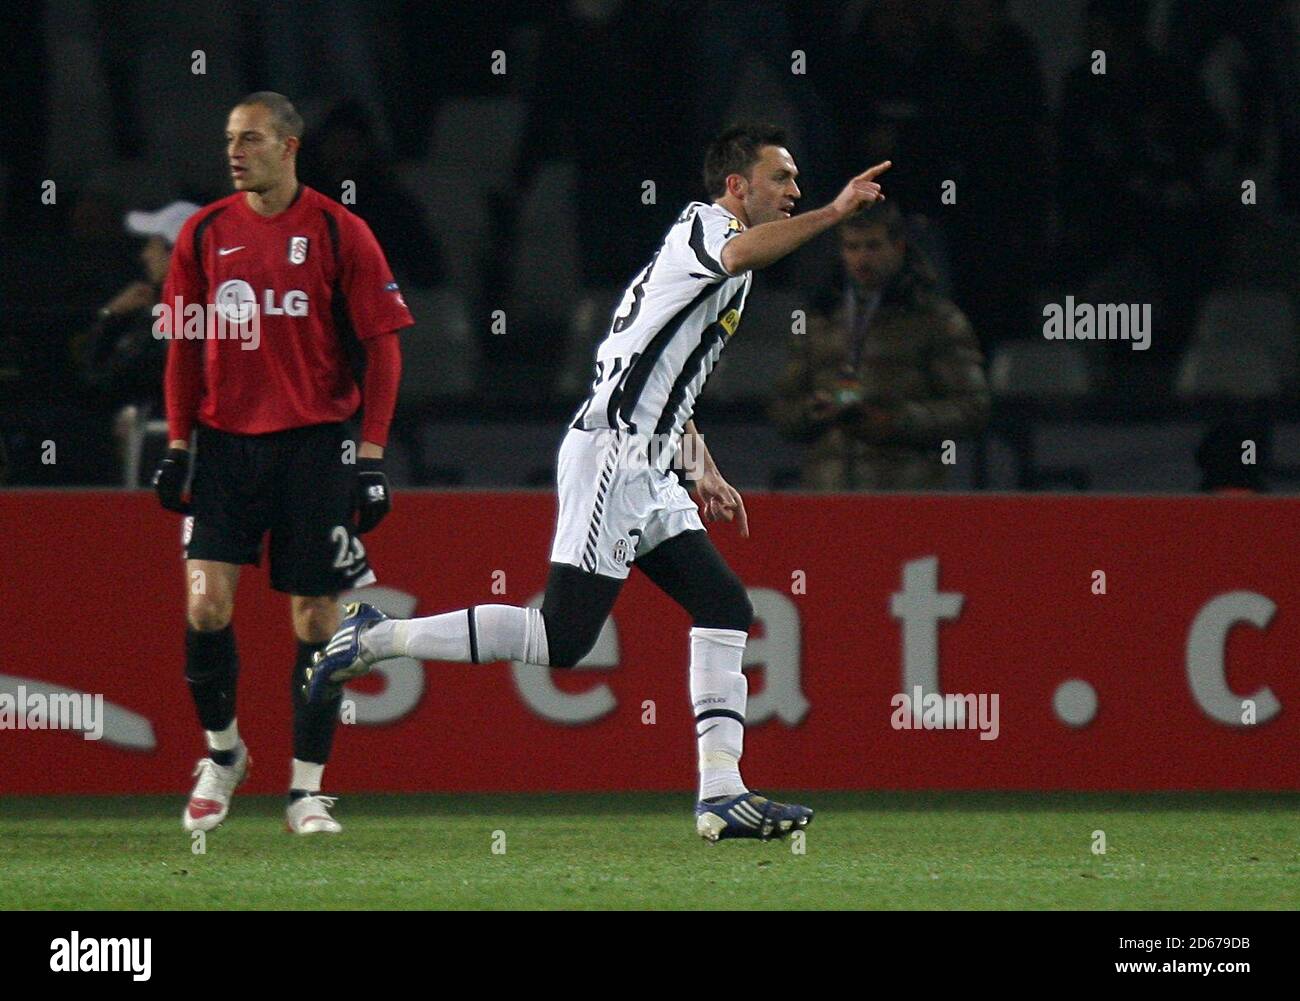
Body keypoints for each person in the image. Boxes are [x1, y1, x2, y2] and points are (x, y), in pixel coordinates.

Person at [307, 124, 890, 843]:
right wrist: (832, 214)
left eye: (799, 182)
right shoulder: (711, 230)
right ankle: (376, 634)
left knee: (725, 604)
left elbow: (649, 364)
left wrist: (698, 459)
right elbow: (730, 265)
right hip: (613, 456)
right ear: (737, 187)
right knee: (562, 638)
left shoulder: (704, 254)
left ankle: (721, 793)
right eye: (782, 178)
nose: (795, 190)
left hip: (649, 461)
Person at [152, 92, 412, 835]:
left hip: (316, 444)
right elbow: (182, 348)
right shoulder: (202, 234)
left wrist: (369, 456)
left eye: (253, 139)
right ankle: (225, 753)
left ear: (290, 147)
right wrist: (176, 445)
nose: (236, 152)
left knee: (317, 617)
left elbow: (384, 345)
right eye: (230, 139)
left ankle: (306, 789)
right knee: (205, 604)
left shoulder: (339, 229)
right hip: (226, 444)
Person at [770, 202, 989, 490]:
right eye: (852, 247)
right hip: (827, 495)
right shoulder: (818, 320)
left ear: (898, 247)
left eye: (873, 246)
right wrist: (813, 410)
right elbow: (782, 408)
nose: (862, 258)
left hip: (906, 495)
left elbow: (973, 408)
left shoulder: (936, 319)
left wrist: (895, 421)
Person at [71, 200, 199, 469]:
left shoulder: (182, 315)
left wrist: (110, 317)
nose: (145, 255)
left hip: (172, 455)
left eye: (152, 245)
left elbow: (101, 384)